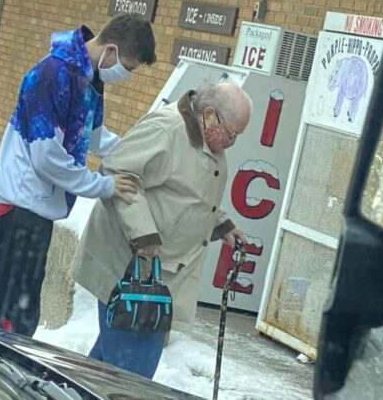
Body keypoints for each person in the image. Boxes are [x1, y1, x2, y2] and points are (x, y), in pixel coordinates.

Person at [0, 13, 157, 337]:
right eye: (128, 67)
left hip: (36, 205)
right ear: (111, 51)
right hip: (20, 205)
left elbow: (96, 137)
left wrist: (139, 155)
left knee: (18, 305)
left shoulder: (89, 79)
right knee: (11, 311)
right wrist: (103, 185)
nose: (126, 76)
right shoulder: (52, 74)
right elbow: (47, 157)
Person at [72, 82, 252, 378]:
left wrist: (220, 222)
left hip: (155, 274)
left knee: (107, 368)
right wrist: (143, 234)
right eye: (232, 132)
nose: (233, 141)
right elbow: (119, 172)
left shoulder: (208, 138)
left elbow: (185, 191)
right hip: (132, 271)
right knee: (130, 377)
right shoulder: (166, 129)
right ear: (209, 115)